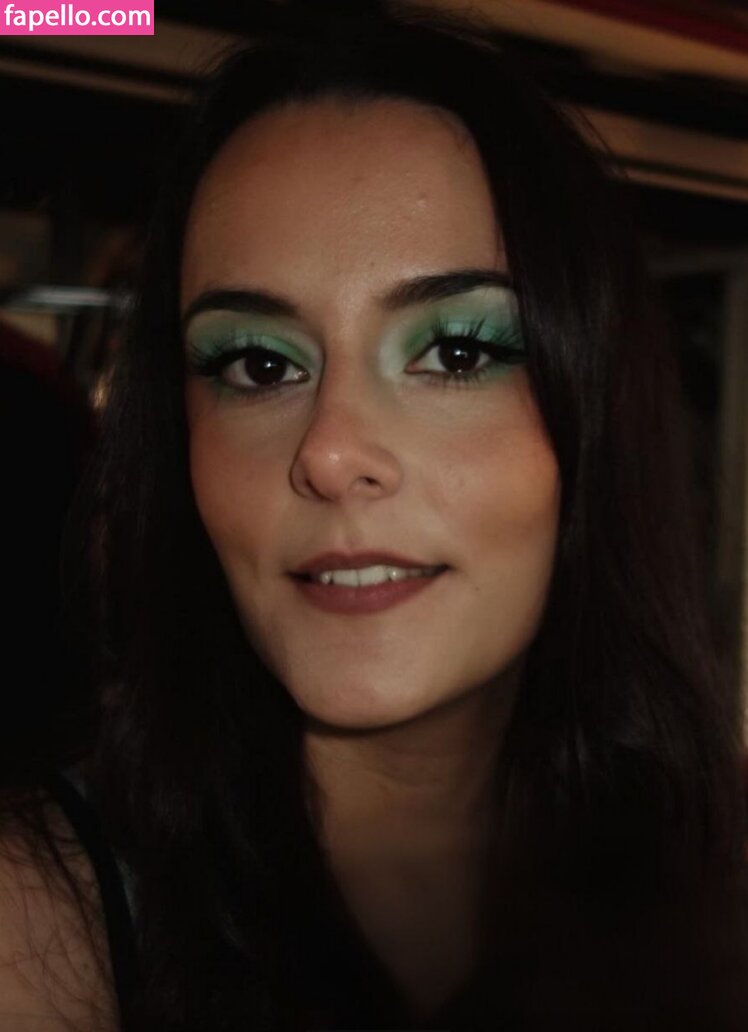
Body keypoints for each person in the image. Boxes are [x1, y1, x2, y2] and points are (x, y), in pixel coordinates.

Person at [1, 3, 747, 1030]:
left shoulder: (715, 883)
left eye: (456, 352)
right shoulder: (38, 929)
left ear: (596, 416)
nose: (331, 452)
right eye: (258, 365)